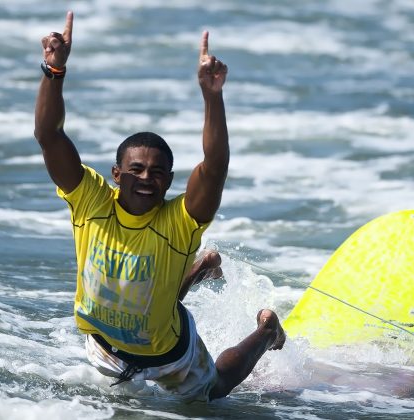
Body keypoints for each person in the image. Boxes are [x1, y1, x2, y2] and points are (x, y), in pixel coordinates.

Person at [34, 11, 285, 402]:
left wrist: (212, 96)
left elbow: (215, 167)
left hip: (169, 352)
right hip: (104, 345)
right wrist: (54, 68)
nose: (146, 178)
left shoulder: (178, 221)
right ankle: (202, 266)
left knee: (213, 390)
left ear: (169, 181)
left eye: (157, 172)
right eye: (136, 169)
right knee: (151, 296)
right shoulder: (90, 200)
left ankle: (267, 332)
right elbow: (49, 136)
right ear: (117, 174)